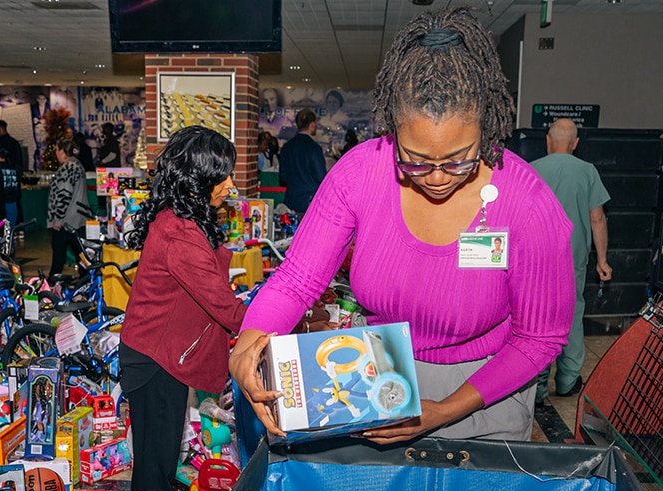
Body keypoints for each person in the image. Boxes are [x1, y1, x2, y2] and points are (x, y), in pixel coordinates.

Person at [231, 7, 576, 444]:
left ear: (487, 127)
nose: (435, 177)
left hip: (486, 392)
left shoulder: (528, 205)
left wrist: (445, 410)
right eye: (414, 160)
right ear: (392, 129)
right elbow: (297, 280)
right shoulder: (360, 173)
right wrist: (249, 342)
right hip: (377, 381)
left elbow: (538, 339)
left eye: (458, 159)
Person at [119, 126, 247, 491]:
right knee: (155, 464)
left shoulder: (181, 220)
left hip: (159, 354)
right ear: (199, 179)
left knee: (158, 457)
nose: (230, 185)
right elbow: (225, 308)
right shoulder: (180, 236)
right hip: (154, 358)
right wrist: (275, 320)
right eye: (222, 176)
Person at [530, 117, 612, 401]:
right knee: (572, 312)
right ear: (576, 144)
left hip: (536, 258)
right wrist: (602, 260)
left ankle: (537, 386)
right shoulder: (588, 171)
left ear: (548, 141)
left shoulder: (531, 170)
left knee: (536, 314)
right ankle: (567, 381)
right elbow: (597, 217)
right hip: (572, 256)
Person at [46, 137, 91, 279]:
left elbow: (64, 195)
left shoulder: (66, 168)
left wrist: (58, 219)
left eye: (57, 150)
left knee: (58, 257)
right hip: (80, 218)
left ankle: (52, 285)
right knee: (83, 257)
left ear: (62, 152)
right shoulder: (78, 165)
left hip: (66, 221)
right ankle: (87, 285)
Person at [278, 108, 327, 213]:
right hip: (310, 203)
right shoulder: (314, 148)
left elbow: (283, 178)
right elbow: (321, 177)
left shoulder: (287, 147)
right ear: (312, 125)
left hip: (290, 202)